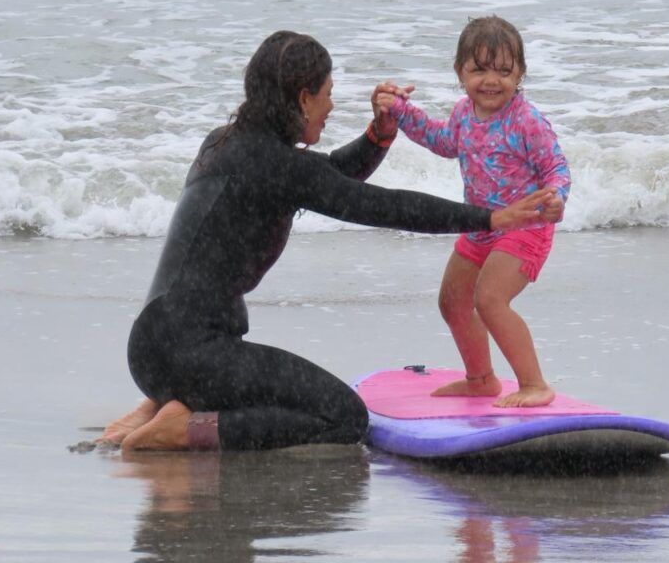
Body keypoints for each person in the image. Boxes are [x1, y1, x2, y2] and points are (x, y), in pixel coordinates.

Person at [101, 30, 559, 452]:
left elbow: (329, 179)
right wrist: (492, 217)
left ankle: (166, 402)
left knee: (294, 399)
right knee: (342, 417)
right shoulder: (279, 167)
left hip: (152, 347)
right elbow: (383, 206)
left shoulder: (226, 142)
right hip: (196, 355)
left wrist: (378, 137)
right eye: (328, 95)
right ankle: (182, 428)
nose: (331, 106)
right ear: (303, 98)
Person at [374, 16, 570, 407]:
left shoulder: (526, 121)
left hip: (525, 228)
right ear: (459, 72)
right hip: (481, 227)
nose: (491, 80)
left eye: (503, 70)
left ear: (520, 74)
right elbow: (442, 140)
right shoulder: (464, 114)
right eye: (478, 69)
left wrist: (556, 197)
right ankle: (481, 379)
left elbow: (556, 167)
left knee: (490, 300)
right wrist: (400, 111)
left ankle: (535, 384)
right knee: (452, 301)